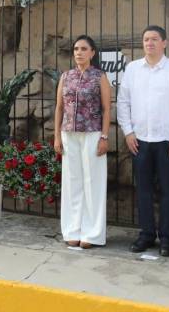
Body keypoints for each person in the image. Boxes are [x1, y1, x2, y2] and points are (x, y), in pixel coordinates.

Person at [117, 25, 169, 256]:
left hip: (168, 142)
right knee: (143, 190)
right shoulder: (132, 69)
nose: (149, 43)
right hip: (139, 141)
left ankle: (167, 239)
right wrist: (128, 132)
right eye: (146, 39)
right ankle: (146, 234)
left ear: (164, 43)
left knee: (168, 191)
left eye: (154, 39)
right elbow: (123, 102)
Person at [53, 35, 111, 248]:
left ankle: (92, 234)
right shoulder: (66, 76)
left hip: (93, 133)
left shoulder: (99, 76)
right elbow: (59, 107)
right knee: (72, 182)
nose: (79, 52)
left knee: (93, 182)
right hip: (69, 134)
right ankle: (72, 230)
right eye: (76, 49)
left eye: (84, 49)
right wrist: (57, 136)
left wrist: (104, 136)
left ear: (92, 53)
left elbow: (107, 108)